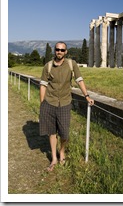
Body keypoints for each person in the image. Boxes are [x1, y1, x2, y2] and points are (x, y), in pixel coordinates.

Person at [39, 41, 94, 171]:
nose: (59, 52)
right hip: (49, 102)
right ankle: (54, 158)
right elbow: (43, 85)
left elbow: (79, 80)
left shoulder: (71, 64)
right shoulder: (48, 66)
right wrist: (42, 104)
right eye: (57, 49)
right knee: (51, 132)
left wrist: (86, 96)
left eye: (62, 50)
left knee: (64, 134)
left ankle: (62, 151)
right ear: (54, 51)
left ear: (66, 52)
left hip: (64, 102)